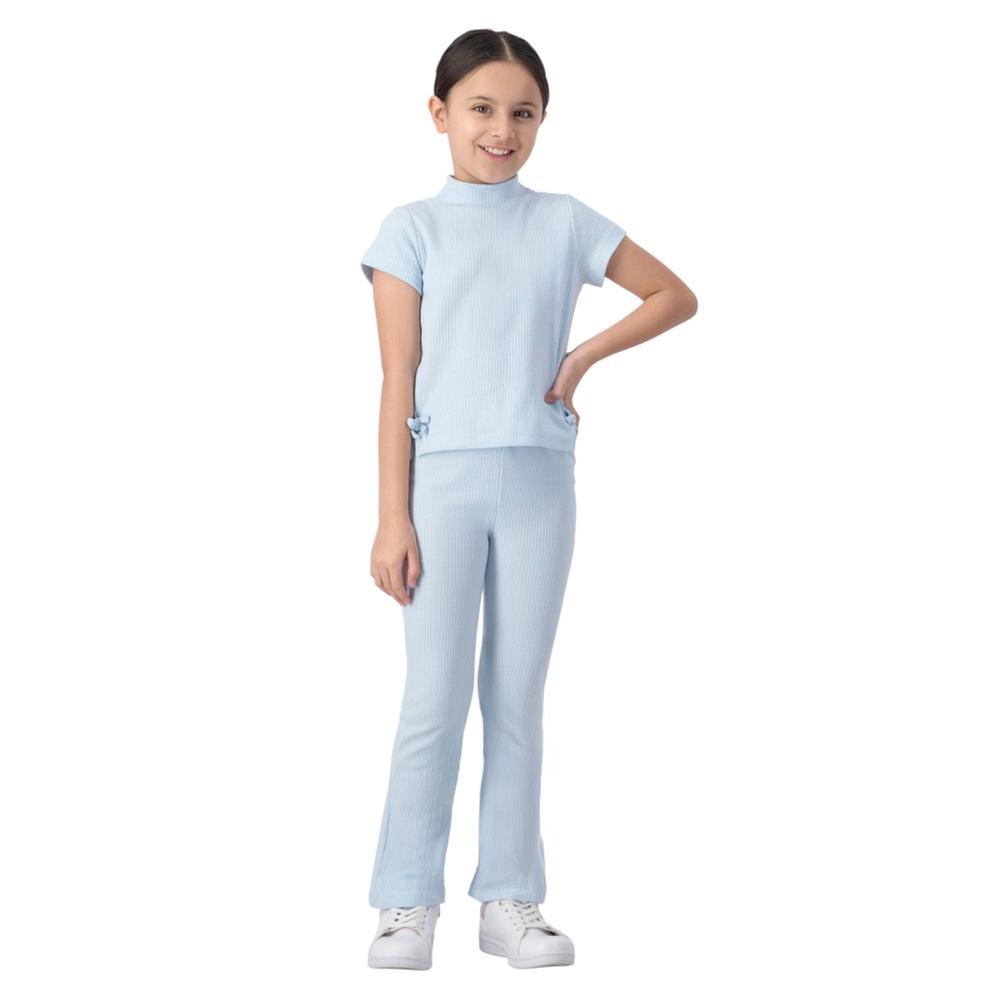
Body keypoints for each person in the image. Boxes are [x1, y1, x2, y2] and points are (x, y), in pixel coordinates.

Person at [361, 29, 698, 971]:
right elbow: (398, 380)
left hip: (541, 483)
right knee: (433, 697)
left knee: (516, 697)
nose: (501, 130)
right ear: (439, 113)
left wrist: (582, 355)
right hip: (442, 484)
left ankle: (509, 898)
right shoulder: (410, 230)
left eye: (523, 112)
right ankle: (405, 901)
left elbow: (673, 296)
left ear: (542, 120)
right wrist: (393, 516)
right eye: (481, 108)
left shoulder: (565, 221)